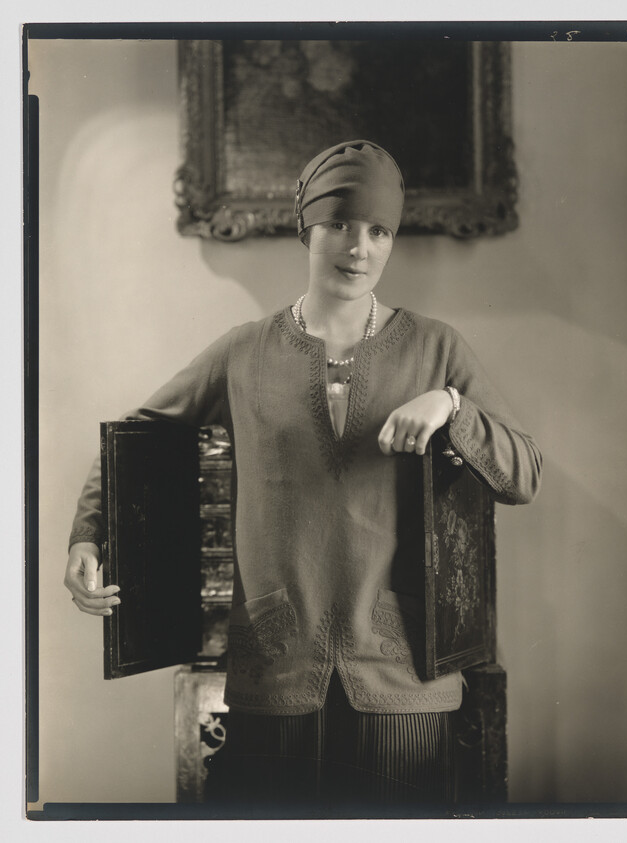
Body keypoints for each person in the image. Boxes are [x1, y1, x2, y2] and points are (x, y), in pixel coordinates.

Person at [64, 139, 542, 816]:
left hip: (404, 681)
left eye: (378, 231)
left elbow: (525, 472)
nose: (359, 247)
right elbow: (136, 439)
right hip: (274, 670)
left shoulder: (437, 348)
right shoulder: (244, 350)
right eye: (339, 224)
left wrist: (452, 406)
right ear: (306, 229)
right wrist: (88, 535)